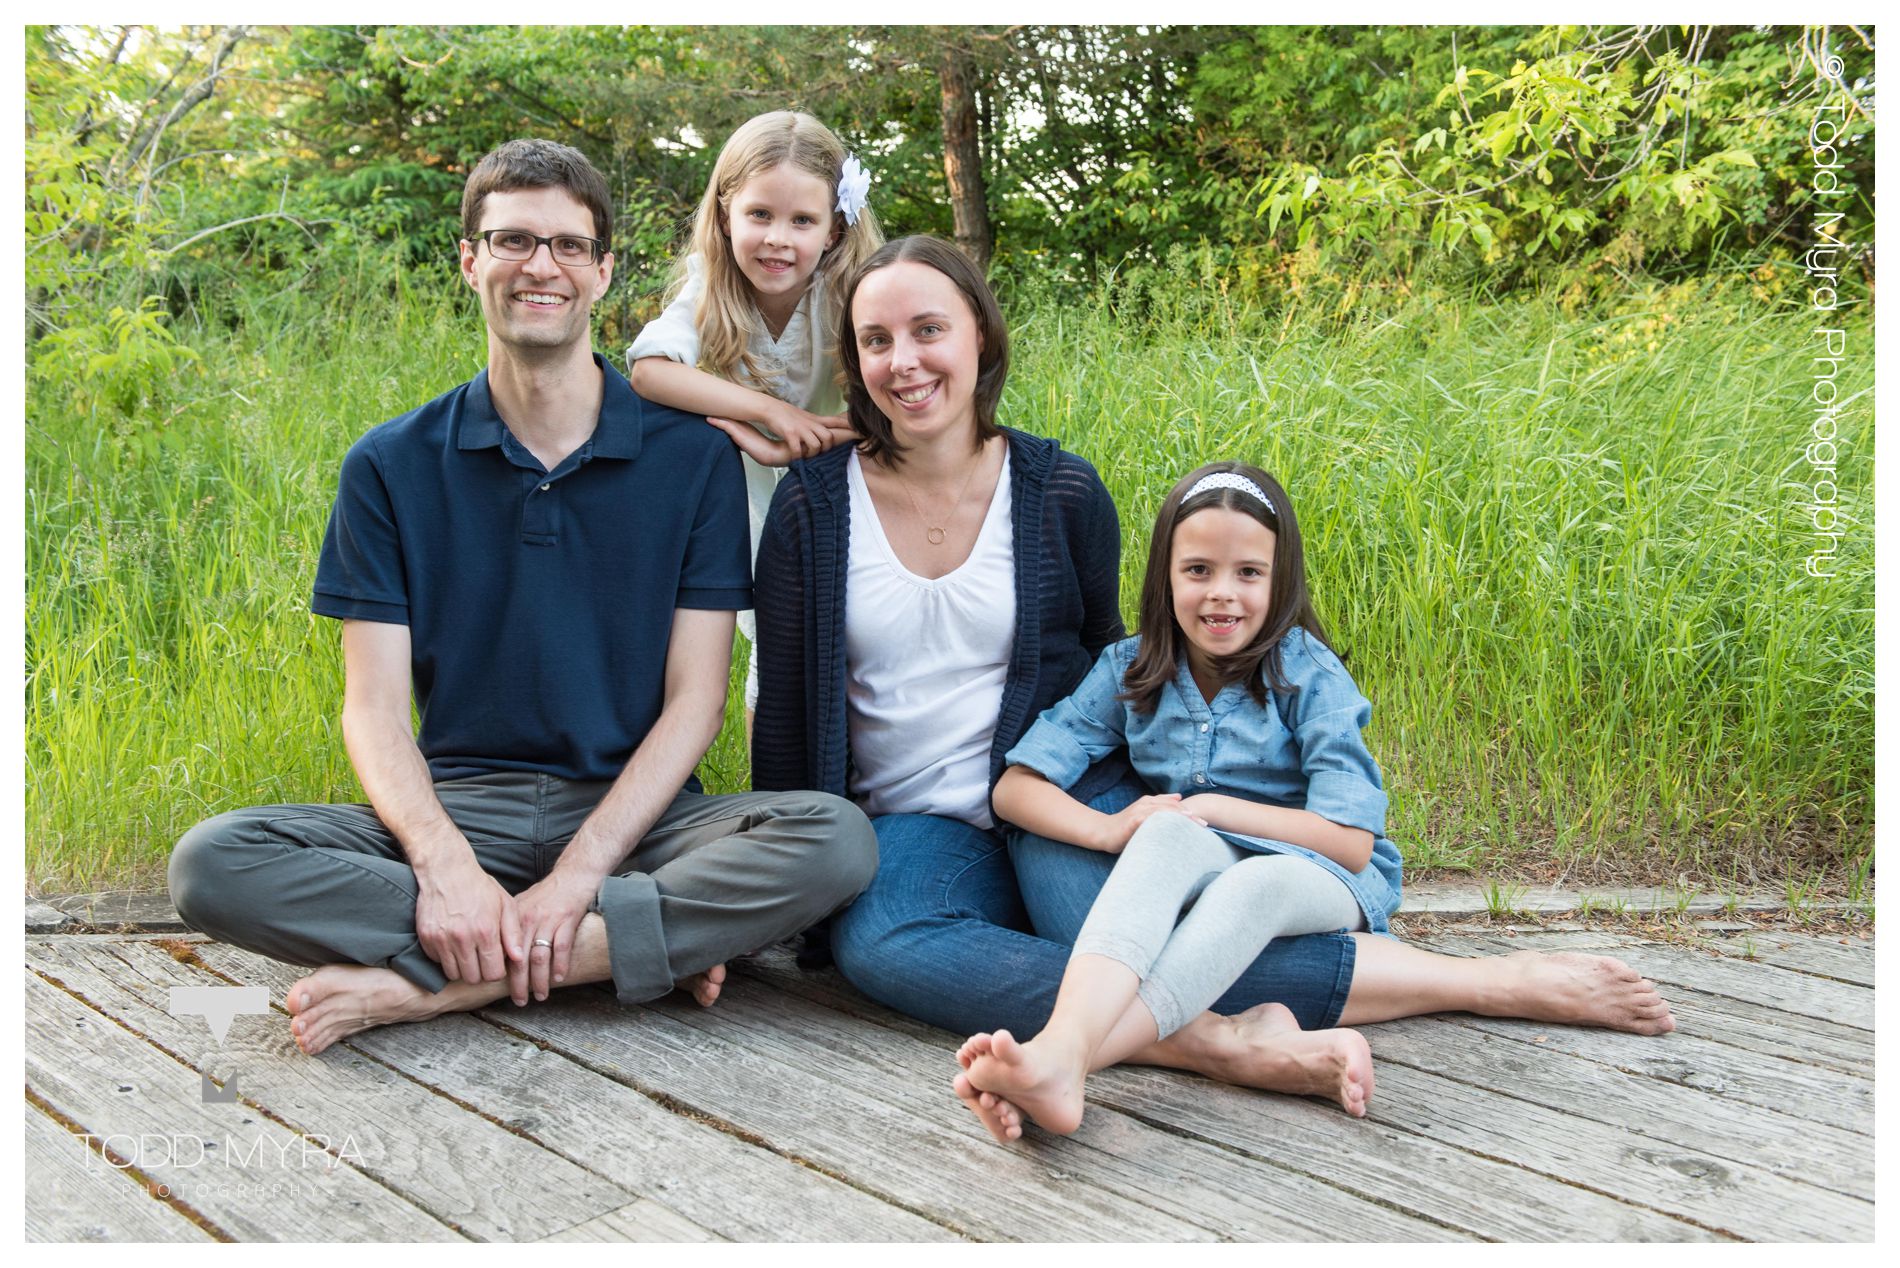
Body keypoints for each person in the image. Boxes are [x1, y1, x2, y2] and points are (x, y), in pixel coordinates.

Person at [751, 235, 1674, 1143]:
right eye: (876, 341)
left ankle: (1480, 982)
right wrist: (796, 884)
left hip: (1059, 806)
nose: (904, 362)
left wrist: (1124, 819)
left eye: (928, 330)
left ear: (981, 338)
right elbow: (789, 710)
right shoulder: (815, 504)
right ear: (855, 360)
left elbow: (1104, 669)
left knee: (1132, 930)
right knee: (882, 946)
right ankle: (1217, 1040)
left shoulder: (1060, 491)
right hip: (916, 826)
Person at [167, 138, 877, 1057]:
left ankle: (439, 989)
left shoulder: (692, 457)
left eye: (569, 246)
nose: (541, 267)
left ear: (604, 271)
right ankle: (631, 949)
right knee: (214, 863)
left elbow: (697, 702)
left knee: (835, 840)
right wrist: (446, 866)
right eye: (511, 241)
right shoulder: (390, 465)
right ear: (469, 261)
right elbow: (374, 712)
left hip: (638, 818)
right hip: (464, 805)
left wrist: (582, 876)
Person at [961, 461, 1398, 1138]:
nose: (1222, 595)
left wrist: (1215, 809)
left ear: (1279, 579)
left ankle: (1065, 1059)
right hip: (1204, 855)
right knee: (1162, 834)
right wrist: (1111, 831)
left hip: (1319, 874)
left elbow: (1350, 841)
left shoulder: (1305, 673)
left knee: (1250, 879)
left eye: (1248, 573)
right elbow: (1017, 789)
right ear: (1165, 575)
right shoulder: (1133, 670)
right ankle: (1070, 1061)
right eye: (1198, 570)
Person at [628, 111, 883, 724]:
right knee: (775, 658)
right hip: (759, 507)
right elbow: (649, 370)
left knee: (866, 652)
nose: (778, 238)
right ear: (725, 215)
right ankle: (771, 801)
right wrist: (769, 413)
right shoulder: (712, 285)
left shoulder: (854, 289)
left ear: (834, 229)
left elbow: (898, 403)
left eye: (802, 220)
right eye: (759, 215)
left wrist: (813, 435)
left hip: (857, 489)